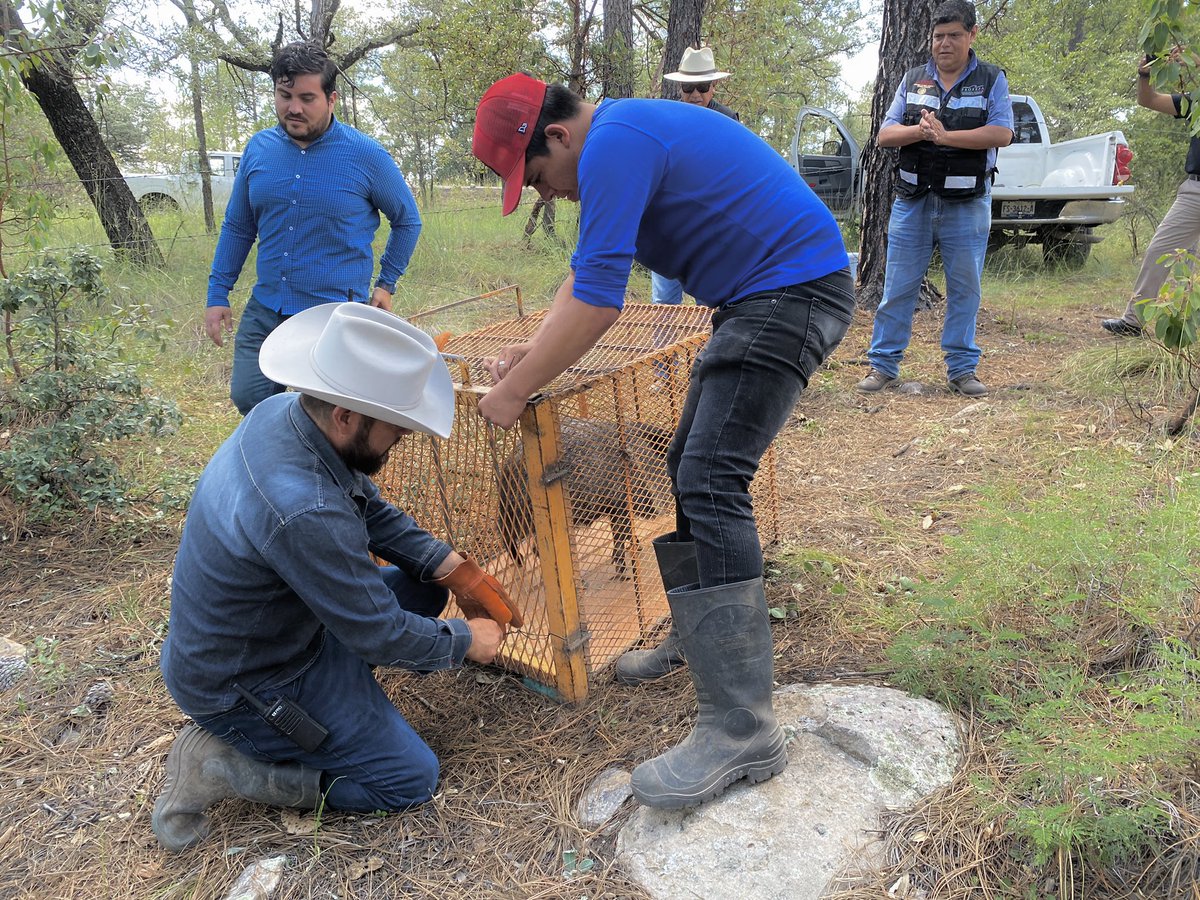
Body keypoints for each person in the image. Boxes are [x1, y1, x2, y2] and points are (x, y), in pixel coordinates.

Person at [470, 73, 854, 809]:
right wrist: (528, 356)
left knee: (712, 478)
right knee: (689, 467)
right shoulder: (617, 139)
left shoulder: (614, 142)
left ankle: (743, 727)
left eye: (541, 180)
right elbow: (587, 274)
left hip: (792, 293)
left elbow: (599, 302)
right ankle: (701, 638)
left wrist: (514, 394)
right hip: (764, 297)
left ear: (556, 136)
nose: (548, 194)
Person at [151, 303, 522, 852]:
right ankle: (225, 764)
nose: (402, 441)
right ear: (348, 416)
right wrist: (467, 640)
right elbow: (379, 632)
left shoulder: (286, 416)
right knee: (408, 779)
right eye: (396, 429)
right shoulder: (302, 510)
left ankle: (344, 699)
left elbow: (366, 508)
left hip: (293, 627)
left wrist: (452, 567)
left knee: (425, 581)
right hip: (257, 683)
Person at [205, 41, 422, 415]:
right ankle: (278, 460)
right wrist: (217, 293)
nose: (294, 108)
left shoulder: (366, 155)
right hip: (268, 305)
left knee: (330, 414)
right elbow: (238, 226)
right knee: (250, 398)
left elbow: (407, 220)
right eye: (284, 95)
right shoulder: (259, 149)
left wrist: (386, 284)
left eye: (307, 97)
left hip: (333, 314)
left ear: (331, 98)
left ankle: (318, 467)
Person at [856, 0, 1013, 398]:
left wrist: (947, 137)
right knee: (898, 286)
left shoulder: (992, 80)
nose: (944, 44)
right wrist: (922, 133)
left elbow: (1002, 133)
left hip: (967, 202)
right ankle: (883, 366)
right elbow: (885, 134)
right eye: (938, 36)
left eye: (954, 35)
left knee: (965, 288)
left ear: (972, 35)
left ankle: (962, 370)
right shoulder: (912, 80)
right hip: (913, 201)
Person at [1102, 50, 1200, 337]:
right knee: (1161, 249)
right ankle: (1134, 320)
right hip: (1195, 189)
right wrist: (1145, 74)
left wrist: (1194, 59)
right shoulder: (1196, 101)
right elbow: (1148, 100)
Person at [651, 45, 741, 306]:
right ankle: (664, 348)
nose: (695, 95)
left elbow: (734, 174)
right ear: (679, 88)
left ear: (713, 86)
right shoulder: (664, 118)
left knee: (708, 305)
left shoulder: (727, 121)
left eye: (702, 86)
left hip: (709, 228)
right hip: (667, 226)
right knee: (664, 306)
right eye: (688, 88)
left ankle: (706, 349)